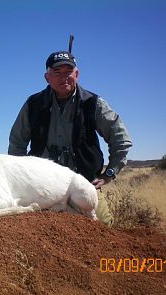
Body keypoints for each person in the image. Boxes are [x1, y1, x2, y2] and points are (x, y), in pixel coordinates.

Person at [8, 38, 132, 226]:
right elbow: (17, 144)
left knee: (105, 230)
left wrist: (109, 173)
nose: (63, 77)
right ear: (46, 77)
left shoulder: (93, 103)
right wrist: (23, 181)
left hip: (85, 185)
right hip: (42, 189)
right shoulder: (32, 105)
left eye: (68, 72)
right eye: (56, 72)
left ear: (77, 74)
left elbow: (120, 139)